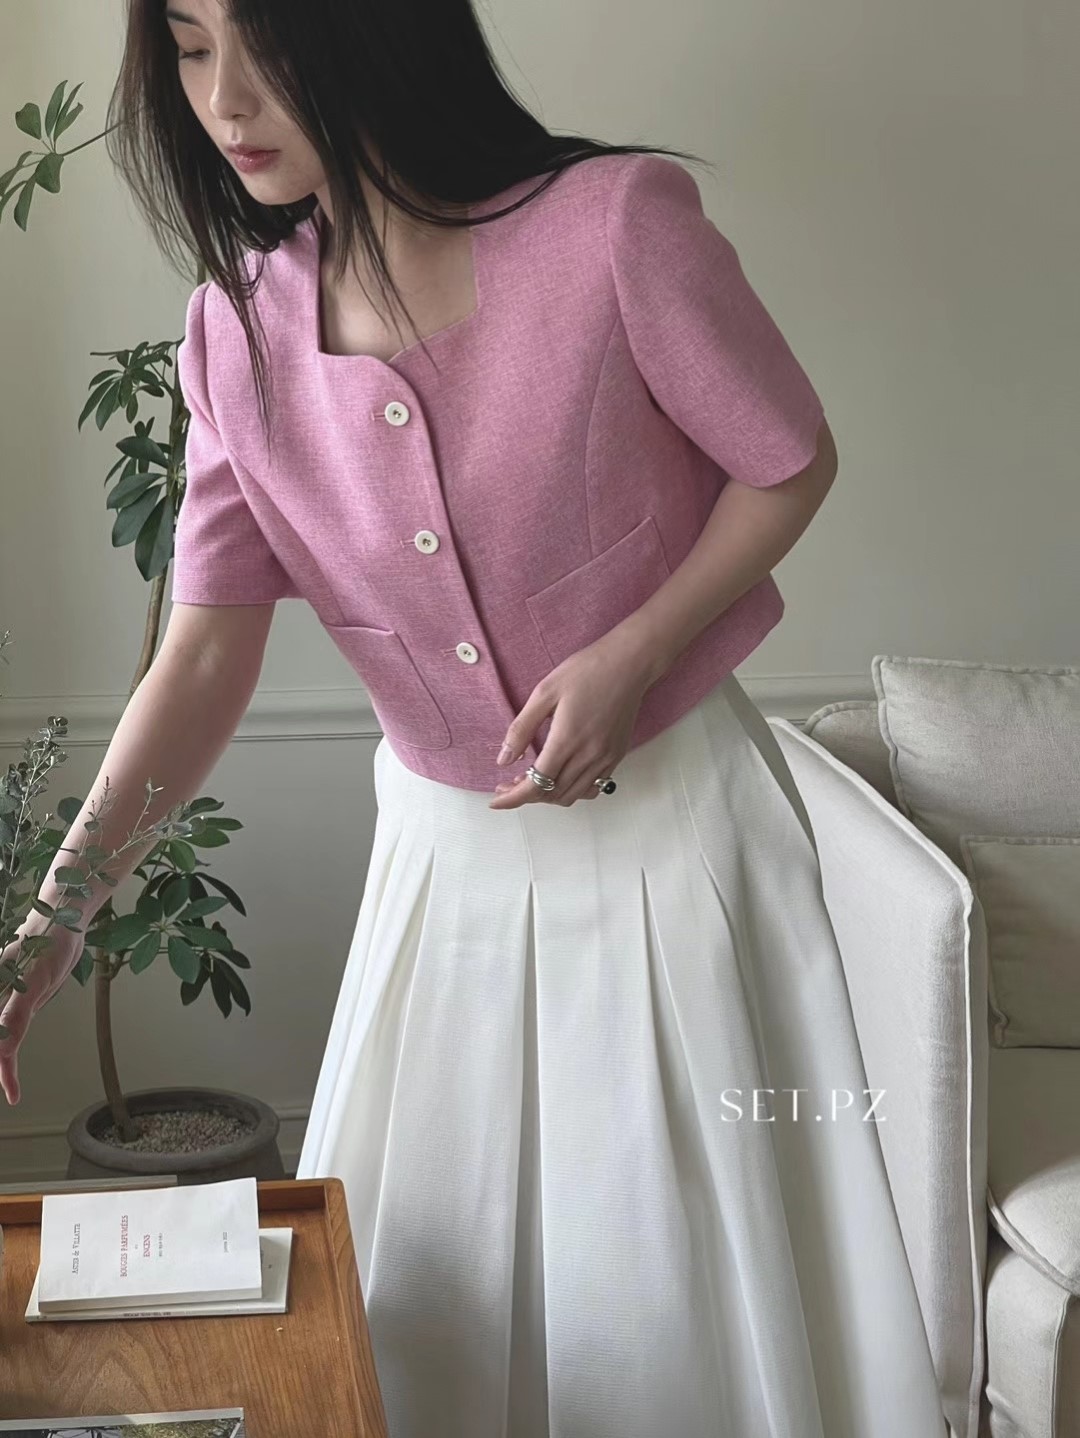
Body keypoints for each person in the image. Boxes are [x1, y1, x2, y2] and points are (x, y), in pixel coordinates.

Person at [0, 1, 949, 1435]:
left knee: (681, 1292)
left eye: (269, 42)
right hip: (442, 884)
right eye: (189, 47)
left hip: (677, 851)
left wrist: (633, 653)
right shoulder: (235, 335)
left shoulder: (615, 226)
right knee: (426, 1302)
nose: (227, 98)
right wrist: (57, 915)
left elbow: (786, 459)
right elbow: (199, 659)